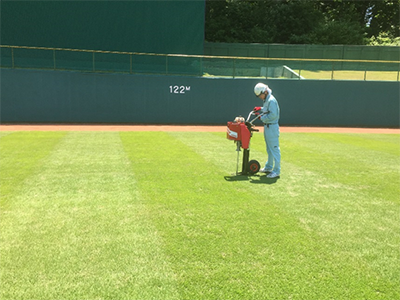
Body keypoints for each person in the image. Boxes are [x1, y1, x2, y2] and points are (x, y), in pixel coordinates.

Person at [253, 83, 281, 178]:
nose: (260, 97)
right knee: (269, 149)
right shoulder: (267, 99)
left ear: (265, 92)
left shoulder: (271, 100)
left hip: (272, 127)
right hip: (268, 127)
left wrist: (261, 117)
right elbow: (266, 109)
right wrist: (260, 108)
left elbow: (273, 115)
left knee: (274, 148)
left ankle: (276, 171)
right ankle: (269, 167)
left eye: (260, 95)